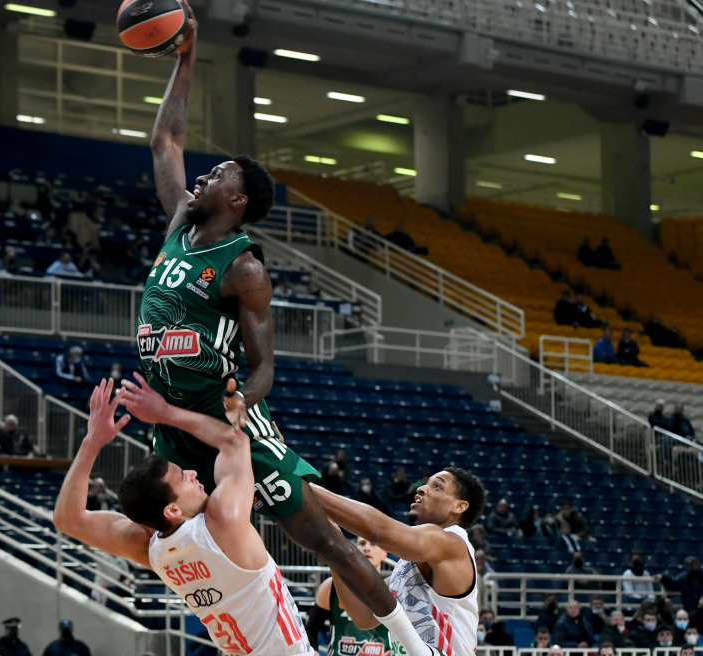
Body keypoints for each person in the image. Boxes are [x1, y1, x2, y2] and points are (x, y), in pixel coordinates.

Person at [137, 8, 438, 648]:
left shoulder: (244, 269)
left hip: (223, 420)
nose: (204, 176)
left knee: (323, 539)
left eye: (218, 175)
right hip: (170, 416)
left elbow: (267, 364)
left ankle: (412, 646)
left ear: (238, 200)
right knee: (147, 523)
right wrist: (186, 58)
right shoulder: (179, 229)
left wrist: (244, 401)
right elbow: (165, 144)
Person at [107, 377, 434, 656]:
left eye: (370, 544)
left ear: (384, 554)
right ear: (173, 509)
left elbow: (72, 521)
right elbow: (235, 444)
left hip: (250, 640)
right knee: (332, 544)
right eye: (184, 477)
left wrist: (99, 441)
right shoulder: (221, 520)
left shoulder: (164, 547)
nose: (366, 546)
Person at [309, 460, 485, 656]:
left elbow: (379, 531)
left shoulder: (453, 543)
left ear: (459, 506)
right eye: (426, 483)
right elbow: (364, 617)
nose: (421, 488)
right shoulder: (409, 565)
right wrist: (333, 540)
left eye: (437, 486)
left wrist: (307, 490)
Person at [315, 536, 391, 656]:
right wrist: (313, 651)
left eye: (373, 544)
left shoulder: (392, 589)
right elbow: (311, 629)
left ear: (384, 555)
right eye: (362, 543)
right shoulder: (331, 586)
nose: (366, 548)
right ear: (355, 551)